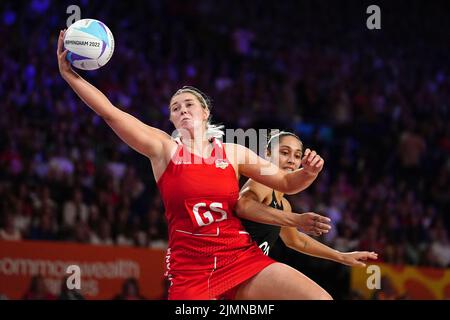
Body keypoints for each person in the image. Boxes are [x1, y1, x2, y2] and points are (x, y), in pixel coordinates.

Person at [57, 30, 332, 300]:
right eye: (175, 108)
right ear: (172, 120)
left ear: (206, 113)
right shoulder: (163, 149)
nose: (182, 110)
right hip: (191, 271)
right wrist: (70, 75)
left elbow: (287, 183)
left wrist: (308, 173)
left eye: (189, 104)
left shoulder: (233, 152)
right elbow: (110, 113)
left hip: (239, 258)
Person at [236, 132, 379, 270]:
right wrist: (296, 219)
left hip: (249, 267)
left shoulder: (284, 205)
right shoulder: (261, 183)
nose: (292, 160)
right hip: (234, 263)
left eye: (297, 156)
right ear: (267, 154)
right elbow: (243, 204)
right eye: (284, 153)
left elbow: (296, 241)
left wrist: (341, 256)